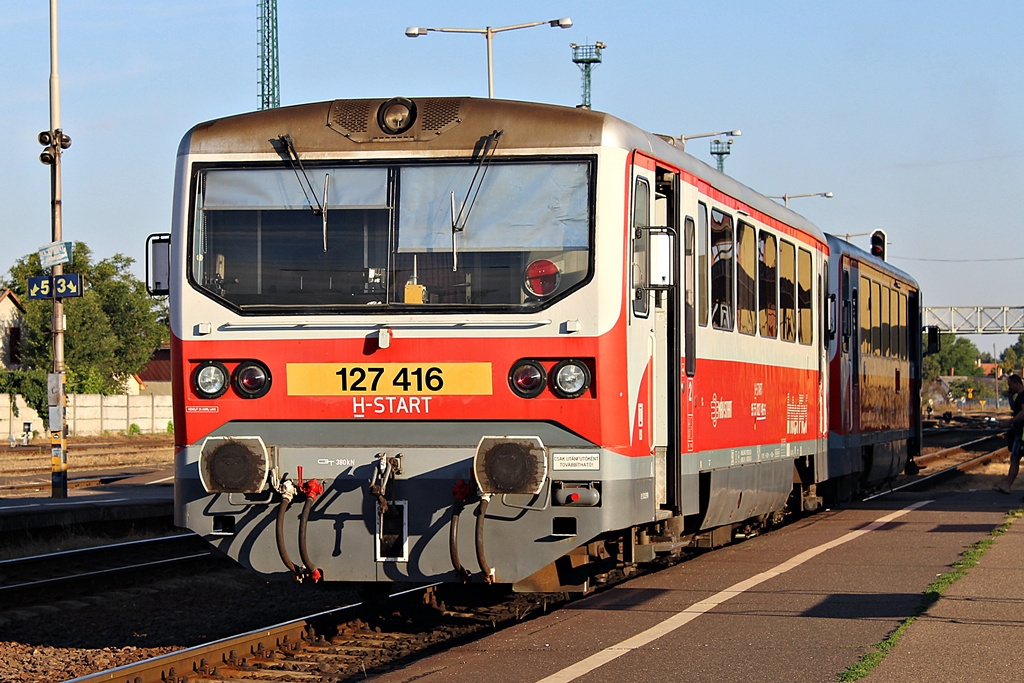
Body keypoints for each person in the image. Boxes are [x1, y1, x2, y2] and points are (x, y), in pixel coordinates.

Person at [994, 374, 1024, 494]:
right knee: (1015, 458)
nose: (1009, 387)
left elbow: (1023, 413)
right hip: (1019, 432)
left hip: (1022, 433)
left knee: (1015, 458)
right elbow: (1016, 409)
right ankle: (1006, 484)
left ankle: (1007, 485)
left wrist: (1010, 421)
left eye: (1010, 385)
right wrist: (1010, 397)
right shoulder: (1019, 397)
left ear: (1016, 383)